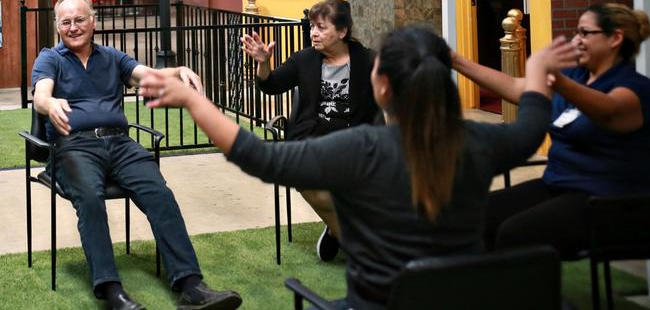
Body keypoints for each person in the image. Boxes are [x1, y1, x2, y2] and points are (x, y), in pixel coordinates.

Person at [140, 26, 576, 309]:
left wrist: (196, 102)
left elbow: (261, 157)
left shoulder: (361, 149)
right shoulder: (483, 142)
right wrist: (533, 67)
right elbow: (535, 121)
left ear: (381, 85)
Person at [32, 0, 242, 310]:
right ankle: (112, 291)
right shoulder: (50, 58)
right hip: (74, 145)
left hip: (120, 143)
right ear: (58, 26)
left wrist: (179, 70)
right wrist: (50, 104)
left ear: (93, 20)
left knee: (159, 193)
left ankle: (190, 286)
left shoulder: (112, 57)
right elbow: (40, 95)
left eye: (80, 19)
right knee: (90, 198)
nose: (74, 27)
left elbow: (148, 75)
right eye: (66, 22)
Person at [452, 3, 650, 257]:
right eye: (576, 33)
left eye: (585, 33)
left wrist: (552, 77)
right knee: (473, 217)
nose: (576, 40)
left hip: (609, 201)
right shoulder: (576, 76)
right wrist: (456, 61)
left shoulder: (634, 88)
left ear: (615, 38)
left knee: (516, 233)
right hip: (557, 184)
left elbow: (609, 110)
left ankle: (527, 296)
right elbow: (515, 86)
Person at [240, 0, 379, 261]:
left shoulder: (368, 60)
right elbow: (271, 85)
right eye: (312, 26)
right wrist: (263, 62)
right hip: (311, 140)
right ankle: (353, 242)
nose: (313, 33)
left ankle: (339, 230)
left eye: (321, 27)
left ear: (342, 31)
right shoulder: (304, 60)